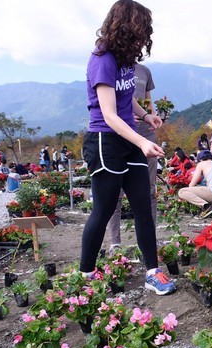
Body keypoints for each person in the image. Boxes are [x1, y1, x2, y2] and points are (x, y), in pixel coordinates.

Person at [81, 0, 174, 295]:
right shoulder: (102, 59)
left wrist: (146, 116)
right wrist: (143, 141)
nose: (144, 39)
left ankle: (152, 272)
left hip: (129, 137)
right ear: (127, 28)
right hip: (104, 141)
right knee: (105, 207)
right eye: (141, 32)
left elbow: (125, 99)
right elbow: (109, 114)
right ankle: (86, 274)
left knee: (143, 205)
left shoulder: (126, 61)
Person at [106, 63, 162, 253]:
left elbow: (148, 101)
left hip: (146, 135)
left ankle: (149, 240)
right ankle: (115, 243)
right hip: (121, 134)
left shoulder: (144, 71)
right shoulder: (111, 65)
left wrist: (151, 116)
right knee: (115, 193)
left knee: (150, 189)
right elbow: (108, 105)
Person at [178, 150, 212, 219]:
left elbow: (191, 185)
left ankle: (207, 207)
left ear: (200, 159)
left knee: (182, 191)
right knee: (211, 187)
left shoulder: (201, 164)